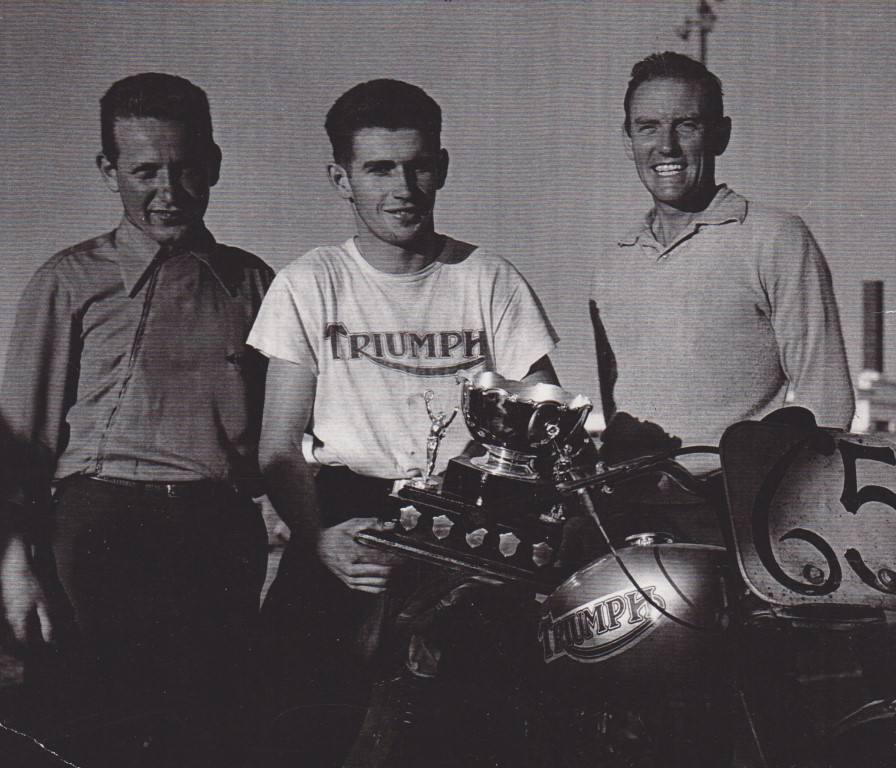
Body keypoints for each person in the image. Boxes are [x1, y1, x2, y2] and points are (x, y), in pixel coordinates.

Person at [247, 78, 559, 767]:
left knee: (472, 735)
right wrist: (319, 539)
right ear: (341, 178)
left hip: (467, 531)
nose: (404, 186)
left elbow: (543, 423)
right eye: (379, 168)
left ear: (441, 167)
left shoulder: (487, 278)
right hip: (348, 524)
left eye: (419, 165)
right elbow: (278, 444)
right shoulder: (310, 282)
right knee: (304, 729)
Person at [0, 73, 273, 767]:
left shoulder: (253, 283)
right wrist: (13, 567)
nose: (168, 191)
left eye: (185, 169)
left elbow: (281, 436)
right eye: (145, 171)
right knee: (105, 729)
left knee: (214, 730)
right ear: (108, 170)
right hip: (103, 530)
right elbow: (20, 443)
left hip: (218, 534)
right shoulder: (68, 280)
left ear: (213, 164)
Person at [592, 51, 854, 461]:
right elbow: (616, 409)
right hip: (630, 509)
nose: (666, 146)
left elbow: (826, 406)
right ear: (628, 140)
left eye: (686, 125)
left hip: (734, 510)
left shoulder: (776, 238)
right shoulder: (614, 262)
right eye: (648, 127)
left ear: (720, 135)